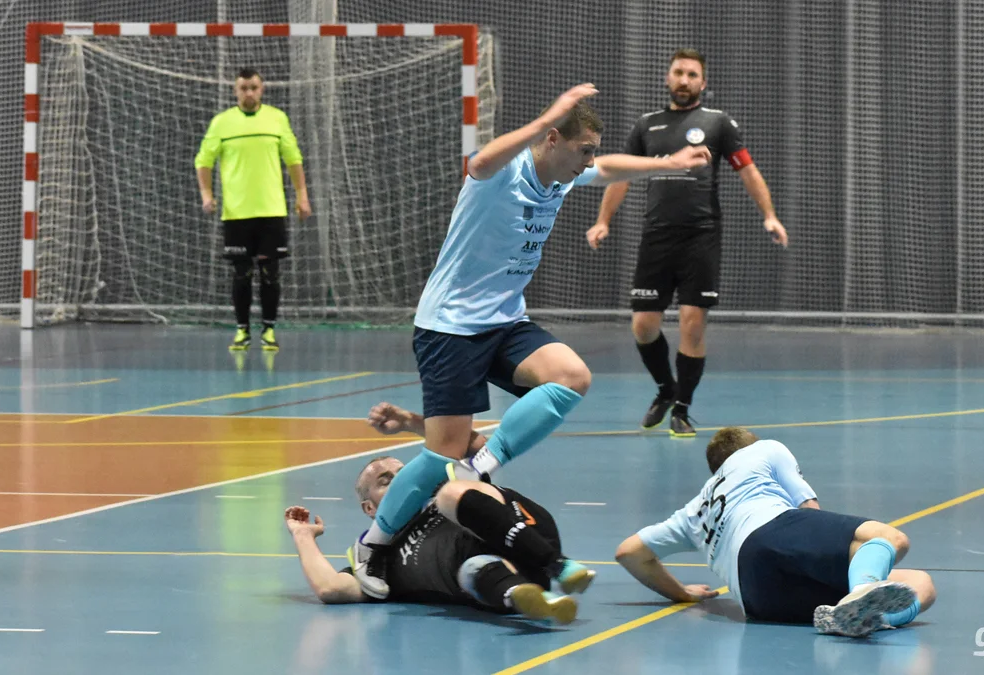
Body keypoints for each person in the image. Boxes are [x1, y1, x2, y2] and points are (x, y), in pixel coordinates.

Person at [350, 84, 713, 599]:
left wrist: (670, 164)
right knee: (438, 455)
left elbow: (608, 168)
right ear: (550, 139)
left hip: (503, 322)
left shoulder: (560, 178)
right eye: (581, 149)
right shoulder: (501, 178)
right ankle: (373, 547)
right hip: (450, 326)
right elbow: (478, 160)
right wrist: (550, 109)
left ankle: (482, 466)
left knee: (571, 376)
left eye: (589, 150)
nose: (587, 160)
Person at [586, 49, 788, 437]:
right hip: (657, 235)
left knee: (693, 323)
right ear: (667, 77)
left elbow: (747, 170)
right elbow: (621, 176)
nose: (684, 79)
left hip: (701, 236)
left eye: (692, 74)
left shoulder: (718, 124)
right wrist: (602, 222)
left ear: (703, 82)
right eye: (678, 72)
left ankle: (682, 408)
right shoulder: (647, 125)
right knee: (643, 326)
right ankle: (665, 389)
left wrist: (770, 215)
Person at [615, 427, 936, 637]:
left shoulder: (693, 511)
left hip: (757, 599)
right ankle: (861, 591)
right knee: (887, 539)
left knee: (920, 583)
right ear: (746, 448)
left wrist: (683, 593)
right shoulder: (763, 450)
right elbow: (810, 510)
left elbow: (629, 553)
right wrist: (837, 554)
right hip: (771, 529)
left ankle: (859, 616)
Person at [284, 455, 593, 624]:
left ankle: (558, 565)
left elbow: (468, 448)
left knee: (455, 490)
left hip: (526, 534)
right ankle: (538, 600)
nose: (402, 483)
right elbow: (330, 588)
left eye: (405, 475)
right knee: (474, 567)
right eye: (386, 481)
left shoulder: (438, 493)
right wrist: (302, 534)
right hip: (492, 584)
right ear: (370, 508)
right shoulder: (376, 562)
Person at [195, 67, 311, 352]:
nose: (249, 92)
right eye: (243, 88)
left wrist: (302, 195)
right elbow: (203, 161)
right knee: (241, 273)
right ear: (236, 91)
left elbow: (293, 159)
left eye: (254, 87)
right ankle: (242, 331)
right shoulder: (222, 123)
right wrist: (207, 194)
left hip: (271, 210)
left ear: (262, 89)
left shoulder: (276, 119)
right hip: (236, 213)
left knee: (270, 273)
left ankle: (269, 330)